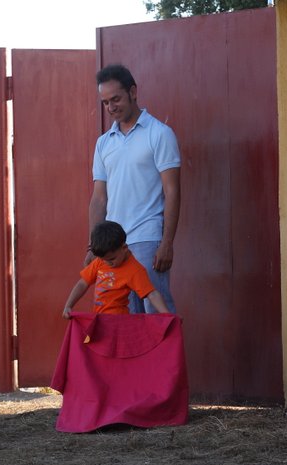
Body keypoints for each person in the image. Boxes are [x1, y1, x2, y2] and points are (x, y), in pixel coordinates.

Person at [85, 64, 181, 314]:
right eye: (105, 102)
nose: (111, 107)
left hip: (148, 240)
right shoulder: (103, 143)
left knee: (157, 317)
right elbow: (99, 198)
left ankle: (165, 356)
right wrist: (94, 246)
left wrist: (167, 243)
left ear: (133, 92)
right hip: (114, 246)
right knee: (123, 320)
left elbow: (172, 191)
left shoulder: (160, 134)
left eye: (115, 99)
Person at [63, 221, 170, 318]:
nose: (107, 263)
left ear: (124, 248)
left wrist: (167, 314)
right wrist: (68, 306)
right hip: (99, 318)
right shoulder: (101, 261)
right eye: (103, 259)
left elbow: (151, 294)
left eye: (112, 259)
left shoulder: (134, 269)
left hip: (118, 321)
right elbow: (82, 283)